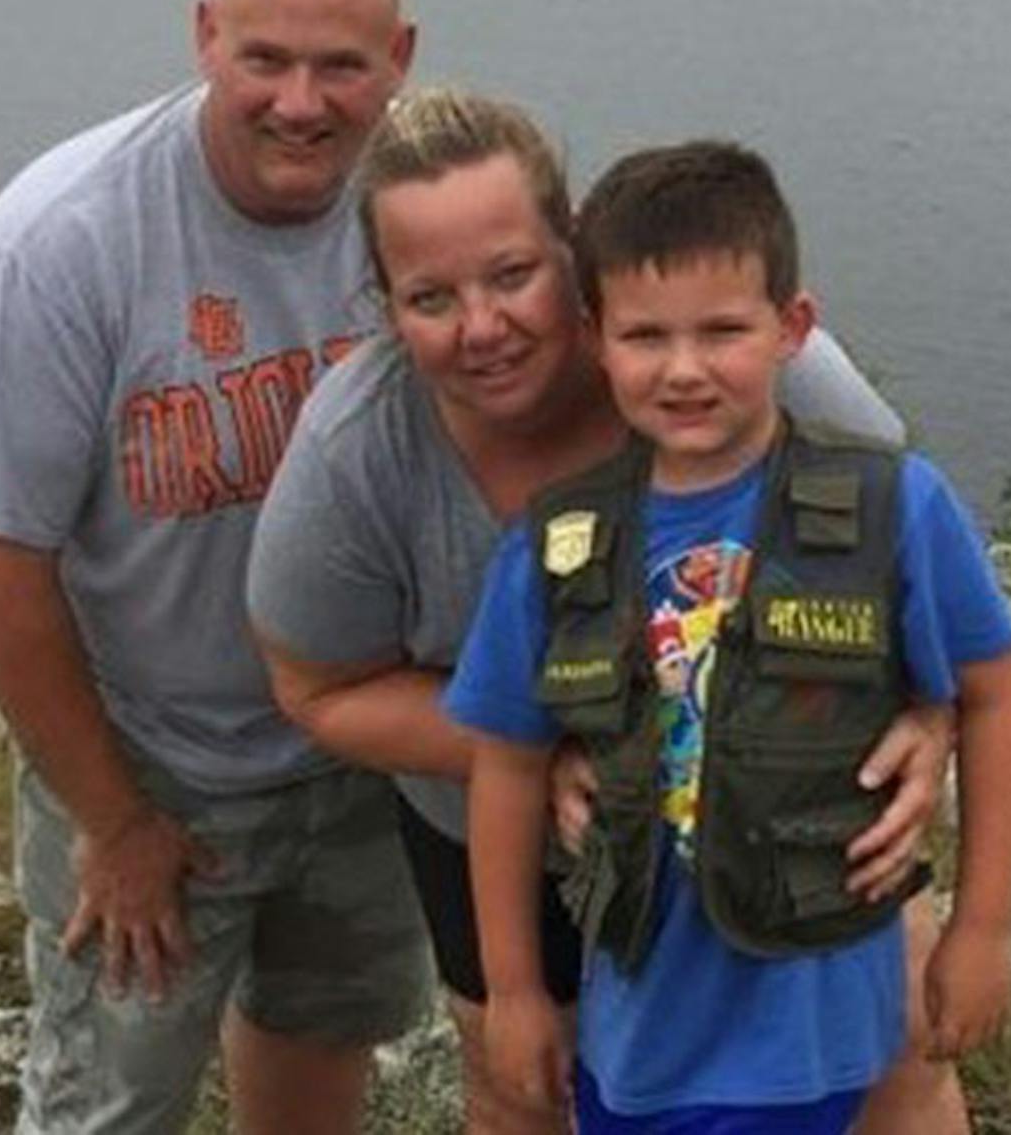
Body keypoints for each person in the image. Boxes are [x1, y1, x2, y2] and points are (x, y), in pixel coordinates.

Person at [248, 89, 965, 1133]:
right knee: (522, 1090)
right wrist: (540, 752)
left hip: (790, 790)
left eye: (512, 274)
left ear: (573, 250)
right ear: (382, 303)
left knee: (894, 1057)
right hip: (501, 838)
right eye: (430, 297)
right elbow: (311, 685)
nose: (482, 326)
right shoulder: (356, 449)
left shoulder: (710, 344)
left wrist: (929, 713)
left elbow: (905, 537)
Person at [0, 0, 431, 1135]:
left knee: (320, 1039)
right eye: (264, 57)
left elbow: (619, 318)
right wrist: (114, 819)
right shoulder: (61, 241)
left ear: (396, 58)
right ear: (203, 35)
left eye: (340, 63)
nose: (301, 101)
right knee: (108, 1105)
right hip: (155, 765)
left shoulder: (428, 206)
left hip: (363, 756)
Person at [448, 138, 1011, 1132]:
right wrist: (511, 988)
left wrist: (982, 926)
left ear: (790, 327)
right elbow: (503, 766)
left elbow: (995, 696)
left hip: (821, 1025)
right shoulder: (556, 546)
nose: (683, 370)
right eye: (644, 336)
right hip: (639, 1026)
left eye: (722, 329)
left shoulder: (894, 506)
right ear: (595, 340)